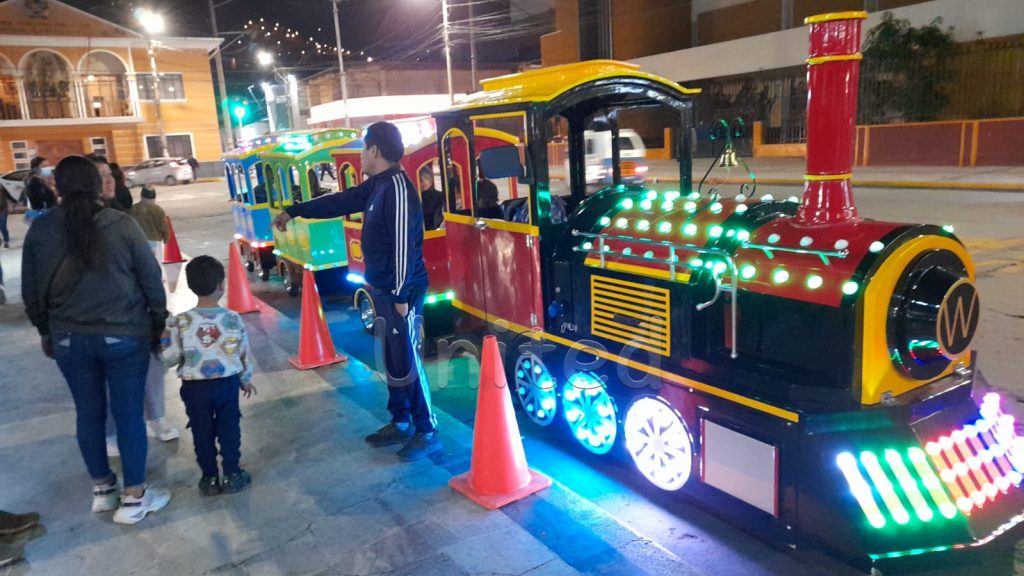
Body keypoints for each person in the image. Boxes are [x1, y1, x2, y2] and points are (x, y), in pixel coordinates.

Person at [273, 121, 438, 462]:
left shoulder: (398, 189)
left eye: (364, 149)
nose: (361, 155)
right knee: (393, 357)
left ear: (375, 150)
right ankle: (401, 419)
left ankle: (427, 429)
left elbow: (405, 247)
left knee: (407, 358)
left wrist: (399, 295)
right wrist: (296, 210)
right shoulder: (377, 185)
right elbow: (339, 201)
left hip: (400, 291)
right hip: (383, 288)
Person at [21, 155, 170, 526]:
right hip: (124, 336)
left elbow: (31, 291)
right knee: (128, 414)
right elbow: (151, 279)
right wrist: (158, 324)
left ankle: (103, 491)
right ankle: (135, 498)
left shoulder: (40, 231)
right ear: (96, 184)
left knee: (88, 413)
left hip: (69, 340)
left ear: (56, 186)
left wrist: (46, 331)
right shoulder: (121, 224)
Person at [161, 255, 256, 496]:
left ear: (190, 286)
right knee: (229, 429)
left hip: (194, 388)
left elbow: (169, 356)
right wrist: (245, 378)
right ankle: (233, 474)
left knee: (201, 431)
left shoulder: (179, 321)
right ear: (221, 285)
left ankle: (209, 479)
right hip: (227, 384)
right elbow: (243, 351)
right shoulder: (233, 318)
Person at [129, 185, 169, 254]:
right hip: (154, 241)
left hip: (137, 241)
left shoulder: (133, 209)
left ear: (141, 195)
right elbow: (163, 227)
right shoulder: (158, 210)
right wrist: (166, 237)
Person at [24, 156, 56, 224]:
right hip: (43, 215)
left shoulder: (43, 180)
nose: (47, 168)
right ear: (36, 169)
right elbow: (38, 199)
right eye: (44, 166)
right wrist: (52, 190)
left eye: (48, 165)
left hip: (48, 213)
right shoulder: (34, 182)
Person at [418, 165, 444, 231]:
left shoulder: (440, 196)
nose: (419, 184)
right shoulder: (415, 197)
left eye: (421, 180)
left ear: (430, 181)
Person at [0, 182, 14, 247]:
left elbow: (8, 195)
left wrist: (15, 201)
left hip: (3, 210)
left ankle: (6, 241)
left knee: (2, 226)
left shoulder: (1, 186)